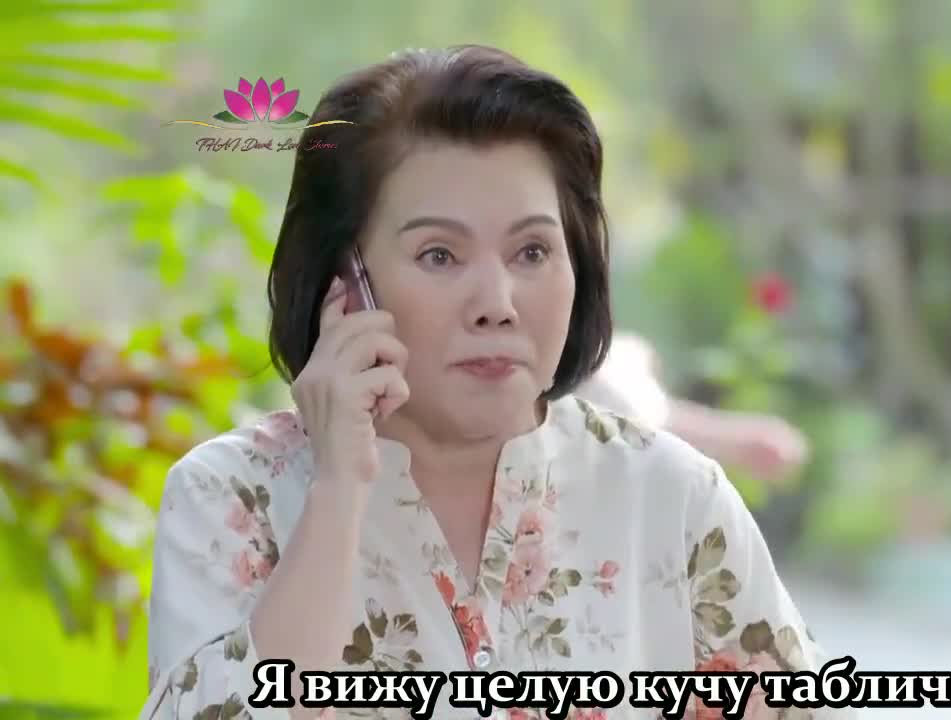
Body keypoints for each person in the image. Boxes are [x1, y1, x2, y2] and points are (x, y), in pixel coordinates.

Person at [140, 45, 847, 720]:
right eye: (439, 255)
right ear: (344, 282)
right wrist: (338, 490)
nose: (497, 303)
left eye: (532, 251)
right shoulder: (230, 498)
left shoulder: (671, 496)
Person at [576, 331, 810, 483]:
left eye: (765, 457)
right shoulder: (635, 370)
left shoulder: (649, 463)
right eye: (764, 444)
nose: (757, 449)